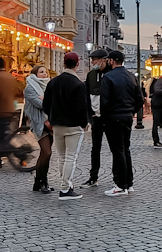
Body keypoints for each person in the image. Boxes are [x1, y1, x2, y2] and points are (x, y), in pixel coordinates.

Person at [43, 53, 90, 200]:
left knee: (62, 157)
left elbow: (45, 105)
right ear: (77, 64)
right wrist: (84, 124)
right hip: (73, 126)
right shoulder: (79, 84)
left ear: (63, 64)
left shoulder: (53, 82)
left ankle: (66, 185)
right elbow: (82, 108)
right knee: (71, 157)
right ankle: (65, 188)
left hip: (57, 125)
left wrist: (52, 118)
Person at [100, 50, 143, 196]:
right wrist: (132, 112)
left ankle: (120, 184)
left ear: (111, 61)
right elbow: (139, 98)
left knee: (117, 151)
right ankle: (129, 183)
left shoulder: (108, 77)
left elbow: (104, 102)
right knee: (125, 149)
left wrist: (104, 121)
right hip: (127, 116)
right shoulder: (131, 76)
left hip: (113, 117)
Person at [24, 65, 53, 193]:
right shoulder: (30, 88)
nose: (44, 74)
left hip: (50, 122)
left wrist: (47, 99)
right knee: (47, 152)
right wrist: (48, 100)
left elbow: (51, 102)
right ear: (34, 74)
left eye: (45, 72)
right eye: (41, 72)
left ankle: (40, 181)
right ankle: (41, 181)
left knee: (45, 153)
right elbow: (41, 105)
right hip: (39, 123)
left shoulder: (48, 86)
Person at [83, 49, 110, 187]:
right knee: (95, 148)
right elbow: (87, 95)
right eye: (92, 60)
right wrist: (89, 116)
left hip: (110, 118)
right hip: (96, 117)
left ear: (104, 60)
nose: (93, 62)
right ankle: (93, 177)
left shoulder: (111, 74)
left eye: (95, 60)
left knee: (116, 148)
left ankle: (119, 179)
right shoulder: (91, 75)